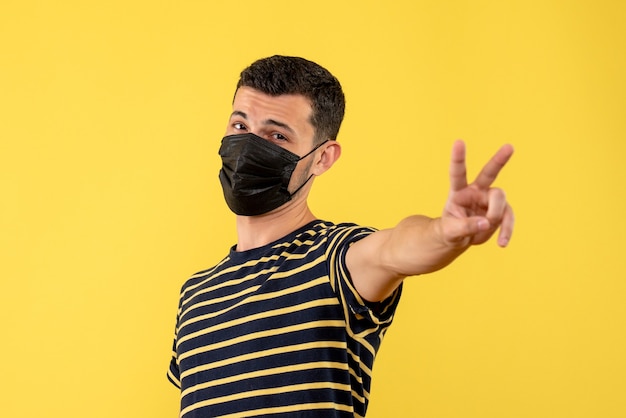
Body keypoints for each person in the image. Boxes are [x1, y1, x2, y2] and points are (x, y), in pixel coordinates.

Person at [167, 55, 514, 418]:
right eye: (240, 125)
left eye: (277, 135)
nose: (248, 146)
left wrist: (444, 233)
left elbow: (394, 249)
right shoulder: (195, 294)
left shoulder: (336, 259)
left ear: (322, 158)